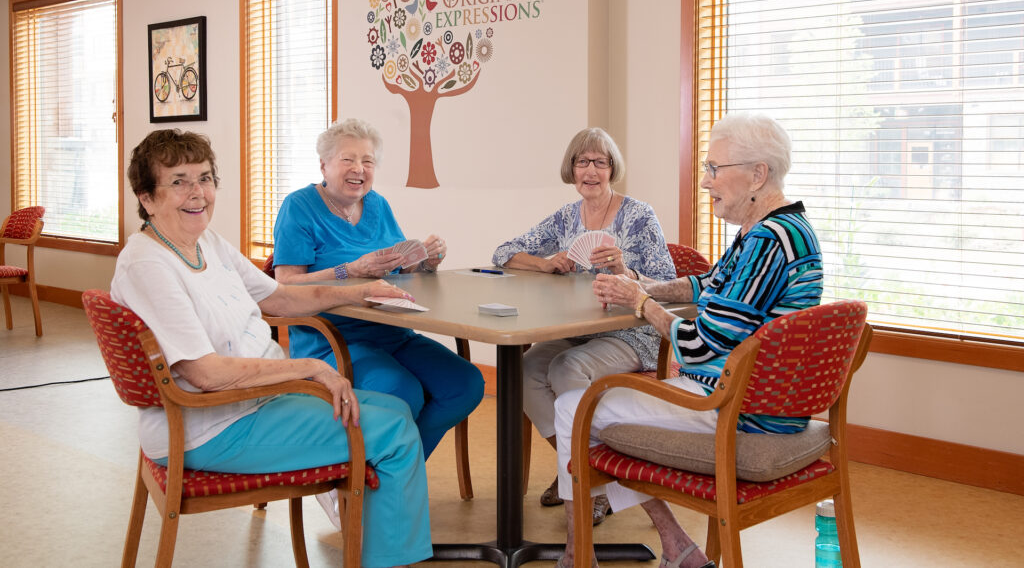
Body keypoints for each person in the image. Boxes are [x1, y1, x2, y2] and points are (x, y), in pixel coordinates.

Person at [110, 129, 432, 568]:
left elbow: (278, 298)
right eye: (179, 181)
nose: (197, 193)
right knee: (395, 434)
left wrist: (357, 294)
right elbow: (206, 374)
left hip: (252, 404)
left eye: (205, 178)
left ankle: (372, 544)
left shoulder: (206, 242)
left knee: (395, 409)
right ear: (147, 198)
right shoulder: (149, 264)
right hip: (213, 423)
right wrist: (311, 370)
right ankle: (386, 557)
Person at [550, 112, 823, 568]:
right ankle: (670, 545)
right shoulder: (777, 230)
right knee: (589, 406)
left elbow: (697, 347)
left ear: (758, 174)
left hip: (734, 407)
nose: (705, 181)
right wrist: (645, 284)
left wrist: (640, 305)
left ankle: (580, 555)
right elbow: (708, 284)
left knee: (573, 407)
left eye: (715, 169)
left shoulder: (767, 243)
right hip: (762, 400)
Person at [492, 127, 675, 524]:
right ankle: (580, 470)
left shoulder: (639, 216)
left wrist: (625, 270)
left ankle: (588, 483)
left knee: (566, 368)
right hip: (578, 329)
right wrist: (546, 262)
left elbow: (667, 282)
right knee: (523, 371)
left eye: (600, 162)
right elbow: (503, 253)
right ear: (571, 169)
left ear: (612, 169)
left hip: (632, 332)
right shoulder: (564, 219)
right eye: (582, 162)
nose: (590, 170)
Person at [272, 118, 484, 460]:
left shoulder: (378, 205)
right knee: (402, 392)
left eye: (368, 161)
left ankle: (395, 474)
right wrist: (350, 270)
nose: (359, 169)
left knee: (466, 385)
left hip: (395, 331)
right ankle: (384, 479)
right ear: (323, 165)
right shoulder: (298, 207)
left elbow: (400, 269)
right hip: (333, 340)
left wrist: (426, 261)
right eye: (348, 159)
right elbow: (284, 286)